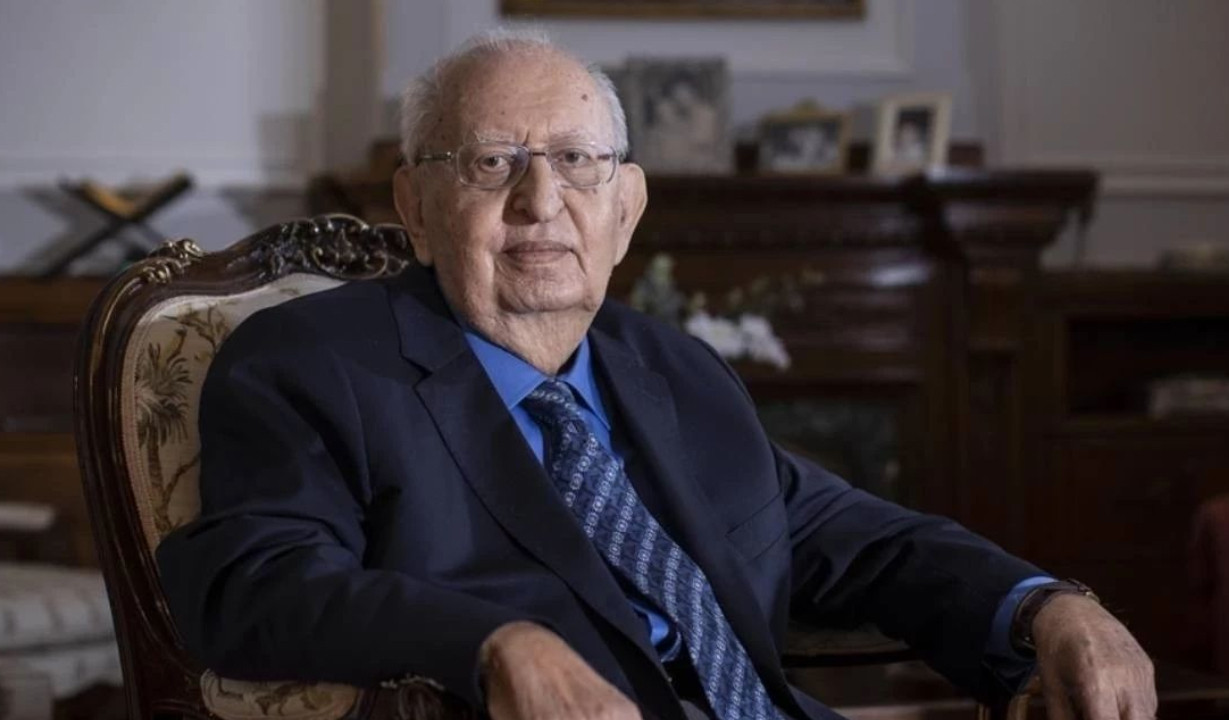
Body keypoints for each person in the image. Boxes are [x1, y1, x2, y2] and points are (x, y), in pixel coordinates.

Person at [156, 29, 1156, 720]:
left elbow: (848, 535)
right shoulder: (314, 364)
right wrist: (492, 644)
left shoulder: (670, 369)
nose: (541, 200)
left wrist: (1046, 605)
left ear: (625, 209)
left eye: (578, 162)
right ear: (415, 206)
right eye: (492, 163)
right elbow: (254, 588)